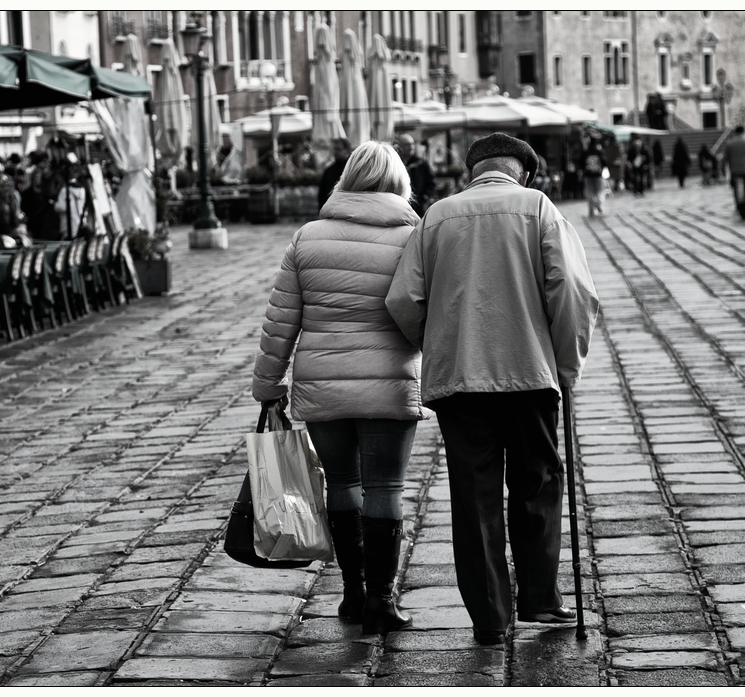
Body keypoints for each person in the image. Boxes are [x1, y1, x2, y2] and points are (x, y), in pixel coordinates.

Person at [385, 132, 599, 647]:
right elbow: (571, 291)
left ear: (472, 172)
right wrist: (566, 366)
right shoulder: (539, 208)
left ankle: (490, 617)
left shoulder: (437, 216)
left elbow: (403, 299)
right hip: (528, 374)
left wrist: (440, 341)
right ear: (521, 172)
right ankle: (541, 599)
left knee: (473, 497)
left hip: (460, 380)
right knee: (538, 483)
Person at [253, 141, 425, 636]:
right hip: (391, 382)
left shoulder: (309, 237)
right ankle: (382, 601)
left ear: (347, 176)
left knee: (342, 483)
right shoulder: (414, 236)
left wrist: (268, 383)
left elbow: (280, 320)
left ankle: (351, 593)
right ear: (399, 181)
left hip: (322, 383)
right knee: (386, 487)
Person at [397, 134, 436, 216]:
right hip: (400, 204)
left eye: (412, 144)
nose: (411, 146)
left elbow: (432, 182)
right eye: (407, 144)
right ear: (400, 147)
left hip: (418, 205)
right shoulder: (396, 163)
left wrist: (425, 197)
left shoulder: (421, 163)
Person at [317, 137, 352, 213]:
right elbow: (322, 195)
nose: (335, 152)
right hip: (331, 211)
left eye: (339, 149)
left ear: (347, 151)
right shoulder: (329, 171)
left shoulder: (353, 170)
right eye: (335, 149)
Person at [581, 138, 608, 217]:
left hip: (588, 175)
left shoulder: (585, 152)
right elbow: (605, 163)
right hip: (598, 175)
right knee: (599, 192)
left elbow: (580, 162)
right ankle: (598, 204)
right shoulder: (600, 152)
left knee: (590, 193)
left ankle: (591, 210)